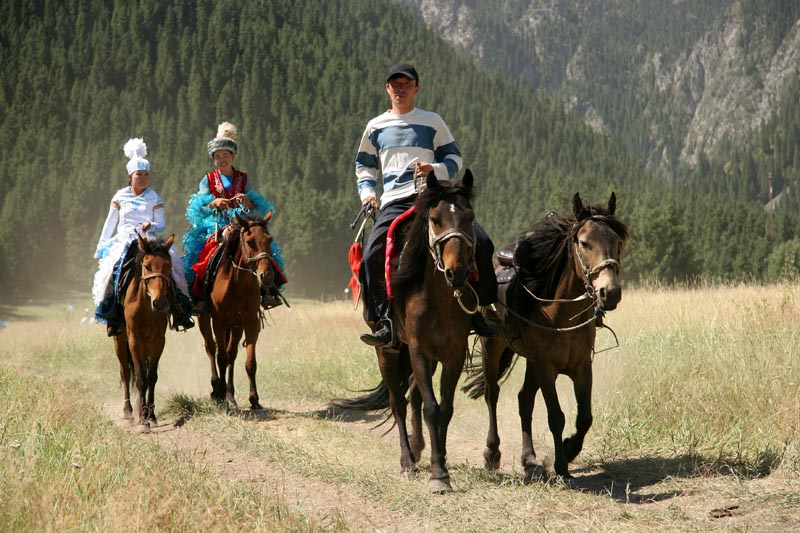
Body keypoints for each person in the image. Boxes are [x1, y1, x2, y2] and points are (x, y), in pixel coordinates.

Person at [355, 63, 497, 347]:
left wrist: (434, 169)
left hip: (432, 197)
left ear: (416, 89)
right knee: (372, 253)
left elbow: (454, 159)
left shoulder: (432, 121)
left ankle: (483, 309)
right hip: (394, 200)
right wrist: (368, 195)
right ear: (387, 89)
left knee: (481, 241)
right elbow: (364, 167)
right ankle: (383, 320)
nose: (400, 89)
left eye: (406, 84)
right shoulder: (375, 126)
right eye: (395, 84)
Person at [92, 138, 195, 336]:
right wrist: (101, 244)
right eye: (139, 174)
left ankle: (180, 309)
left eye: (147, 174)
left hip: (149, 238)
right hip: (124, 240)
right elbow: (109, 223)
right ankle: (111, 314)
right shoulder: (120, 196)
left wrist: (152, 225)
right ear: (130, 176)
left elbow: (162, 223)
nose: (144, 178)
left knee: (173, 268)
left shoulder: (153, 197)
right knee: (113, 270)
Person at [182, 122, 287, 310]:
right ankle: (198, 295)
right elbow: (197, 208)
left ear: (233, 156)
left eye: (226, 155)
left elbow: (257, 207)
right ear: (213, 159)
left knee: (262, 246)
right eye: (218, 156)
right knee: (202, 254)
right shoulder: (208, 179)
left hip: (241, 223)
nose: (222, 159)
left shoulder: (244, 179)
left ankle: (269, 290)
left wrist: (246, 200)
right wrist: (213, 203)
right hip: (215, 223)